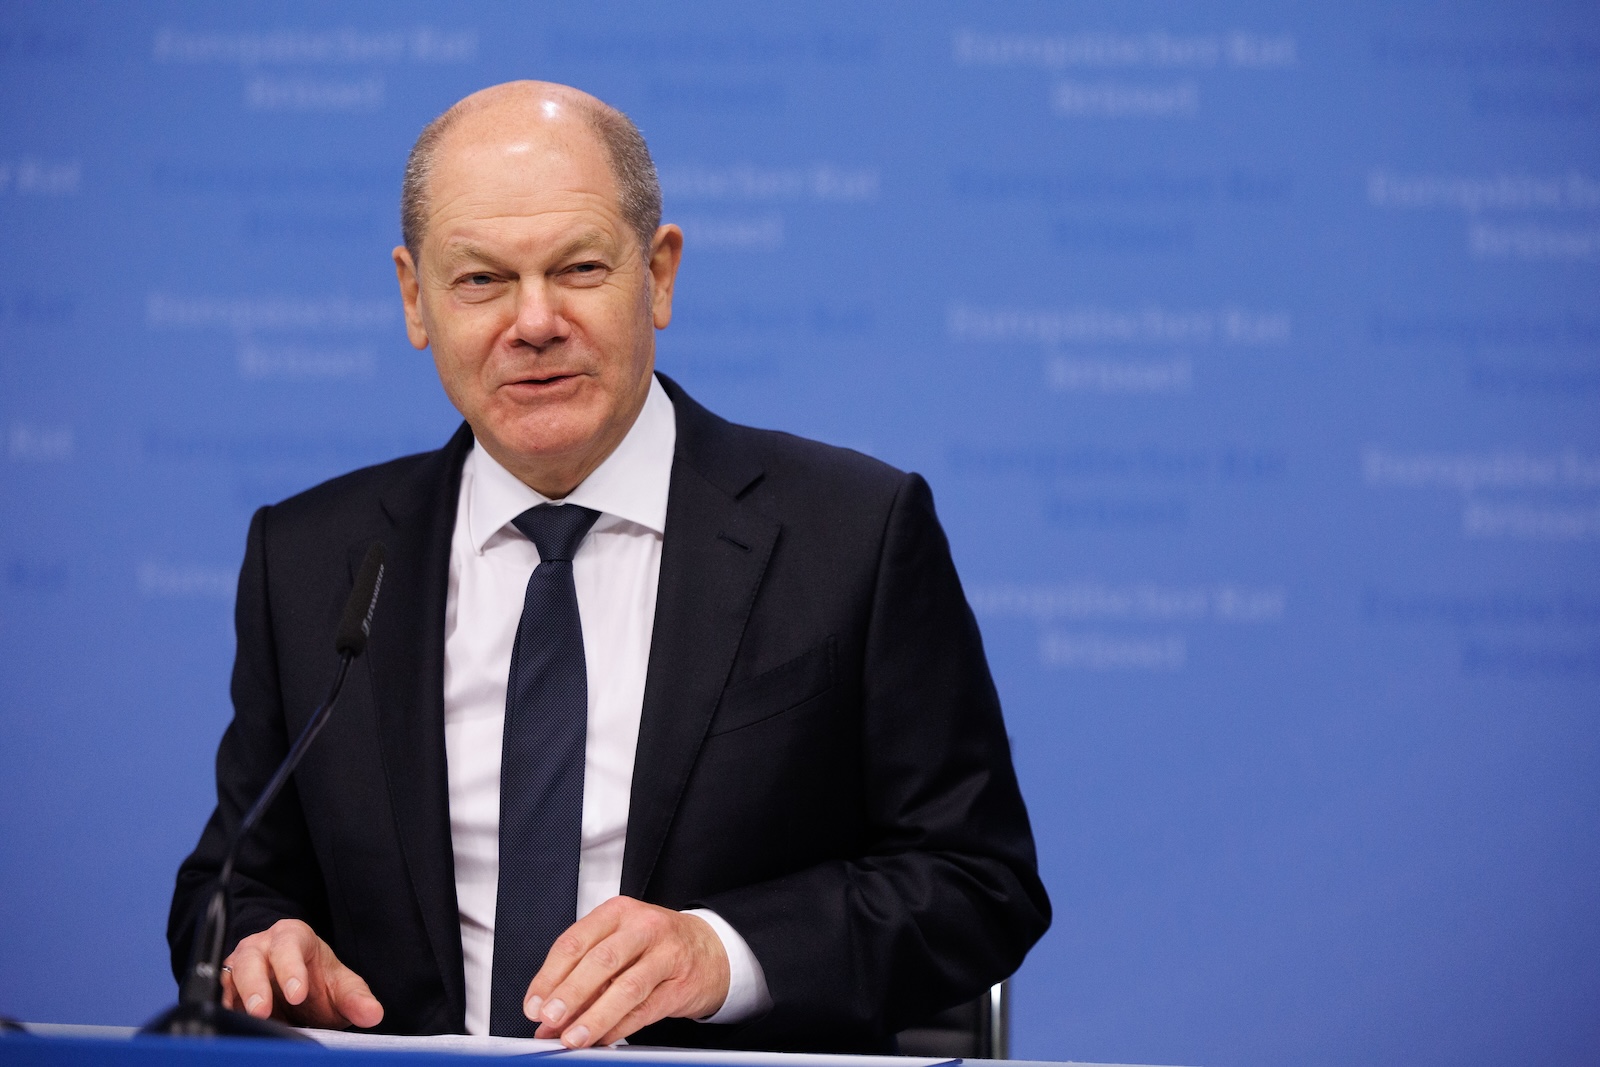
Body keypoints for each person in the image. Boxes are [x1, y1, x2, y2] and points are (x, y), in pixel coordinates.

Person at [168, 81, 1049, 1053]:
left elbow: (978, 883)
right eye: (481, 281)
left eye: (578, 268)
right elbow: (233, 876)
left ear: (659, 274)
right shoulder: (310, 560)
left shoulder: (852, 533)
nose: (534, 320)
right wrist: (263, 940)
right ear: (415, 298)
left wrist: (719, 953)